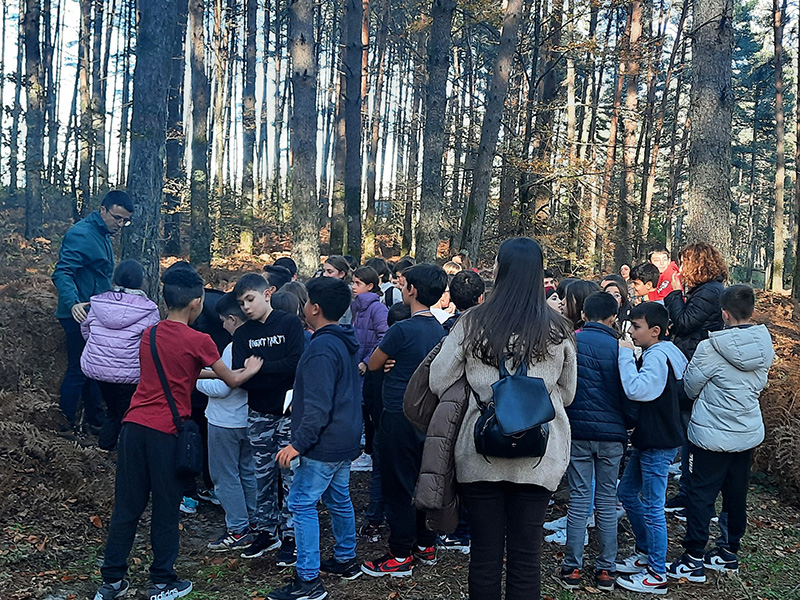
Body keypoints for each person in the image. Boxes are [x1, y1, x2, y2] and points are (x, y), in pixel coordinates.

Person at [93, 262, 262, 600]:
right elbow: (231, 380)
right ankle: (163, 581)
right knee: (166, 508)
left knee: (127, 507)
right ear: (198, 302)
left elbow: (175, 373)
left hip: (133, 427)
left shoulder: (149, 334)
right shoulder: (200, 340)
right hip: (166, 433)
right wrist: (249, 370)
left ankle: (111, 582)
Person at [429, 237, 577, 600]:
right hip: (539, 456)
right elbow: (568, 393)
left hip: (480, 452)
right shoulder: (558, 329)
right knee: (527, 557)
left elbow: (438, 380)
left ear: (500, 270)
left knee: (484, 554)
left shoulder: (473, 323)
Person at [666, 285, 774, 583]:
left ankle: (693, 557)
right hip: (747, 431)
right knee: (736, 493)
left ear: (724, 313)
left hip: (711, 434)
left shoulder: (710, 347)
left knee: (701, 495)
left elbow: (690, 387)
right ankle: (728, 551)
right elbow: (760, 383)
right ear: (750, 311)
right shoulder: (764, 344)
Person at [268, 277, 364, 600]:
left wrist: (298, 444)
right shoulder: (343, 340)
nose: (305, 307)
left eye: (307, 302)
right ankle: (345, 558)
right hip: (344, 439)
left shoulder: (322, 348)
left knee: (301, 502)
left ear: (315, 308)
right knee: (338, 498)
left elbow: (319, 407)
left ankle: (308, 580)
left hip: (322, 444)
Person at [361, 263, 448, 578]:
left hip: (398, 415)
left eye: (403, 282)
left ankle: (399, 554)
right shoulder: (439, 330)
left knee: (398, 485)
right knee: (423, 480)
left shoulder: (402, 329)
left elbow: (373, 363)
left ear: (412, 290)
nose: (399, 285)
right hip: (428, 416)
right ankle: (425, 544)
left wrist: (387, 364)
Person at [554, 292, 628, 593]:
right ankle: (606, 570)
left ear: (583, 314)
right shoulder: (620, 348)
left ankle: (572, 568)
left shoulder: (571, 343)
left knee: (579, 499)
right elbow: (629, 392)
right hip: (612, 434)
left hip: (579, 431)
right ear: (613, 317)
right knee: (607, 502)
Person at [614, 302, 687, 596]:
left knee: (655, 507)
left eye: (636, 327)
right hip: (651, 439)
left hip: (659, 442)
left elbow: (638, 390)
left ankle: (657, 573)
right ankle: (645, 552)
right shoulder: (667, 352)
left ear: (655, 331)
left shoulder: (657, 357)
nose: (631, 331)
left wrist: (624, 356)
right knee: (627, 493)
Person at [233, 274, 305, 564]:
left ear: (268, 293)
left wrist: (260, 368)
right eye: (241, 303)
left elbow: (296, 364)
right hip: (258, 413)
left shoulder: (288, 324)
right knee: (261, 473)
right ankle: (266, 529)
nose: (246, 307)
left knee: (289, 474)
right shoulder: (242, 334)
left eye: (250, 299)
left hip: (288, 412)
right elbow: (241, 376)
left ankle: (291, 534)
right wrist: (260, 375)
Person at [52, 190, 134, 434]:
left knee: (94, 369)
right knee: (78, 369)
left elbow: (97, 275)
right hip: (77, 314)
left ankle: (95, 422)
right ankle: (65, 424)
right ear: (103, 210)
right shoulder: (81, 234)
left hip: (94, 314)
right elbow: (62, 272)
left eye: (124, 220)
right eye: (117, 218)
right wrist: (73, 303)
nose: (120, 224)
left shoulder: (103, 233)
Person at [662, 242, 727, 515]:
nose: (681, 269)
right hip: (691, 359)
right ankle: (689, 492)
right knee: (687, 433)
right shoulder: (706, 291)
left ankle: (695, 497)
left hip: (695, 364)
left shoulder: (709, 292)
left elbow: (686, 323)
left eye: (684, 262)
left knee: (692, 433)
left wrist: (676, 293)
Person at [196, 292, 258, 553]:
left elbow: (222, 387)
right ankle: (257, 523)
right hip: (249, 418)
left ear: (233, 319)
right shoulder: (260, 340)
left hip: (225, 421)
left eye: (224, 320)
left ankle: (238, 528)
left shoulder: (234, 347)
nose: (222, 325)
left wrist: (195, 379)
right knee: (248, 473)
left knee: (224, 476)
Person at [80, 260, 160, 450]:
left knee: (112, 410)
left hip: (99, 368)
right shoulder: (148, 308)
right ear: (142, 281)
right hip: (130, 373)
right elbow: (152, 341)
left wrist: (101, 349)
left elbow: (86, 329)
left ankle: (104, 447)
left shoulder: (99, 302)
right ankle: (126, 453)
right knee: (128, 413)